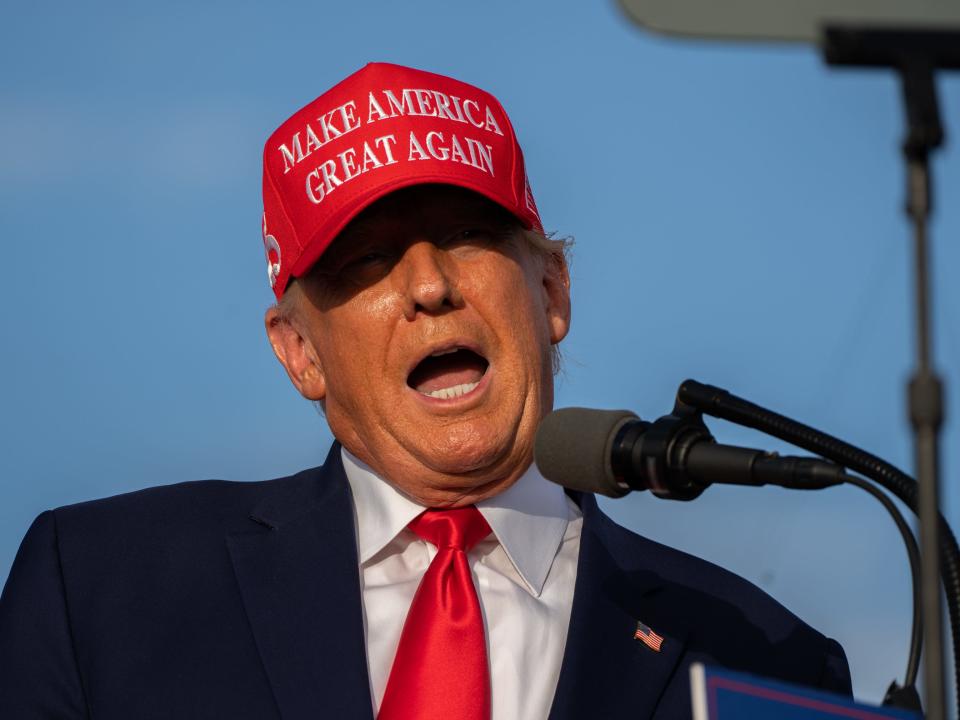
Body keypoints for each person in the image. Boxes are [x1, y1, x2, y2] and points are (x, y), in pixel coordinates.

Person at [0, 62, 850, 719]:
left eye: (466, 235)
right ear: (300, 351)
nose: (430, 286)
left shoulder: (763, 660)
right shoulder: (101, 590)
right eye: (367, 260)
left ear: (552, 290)